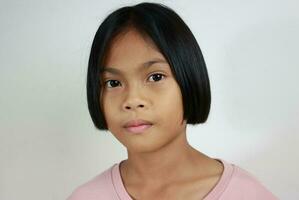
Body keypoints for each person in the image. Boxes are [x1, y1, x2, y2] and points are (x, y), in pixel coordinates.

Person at [67, 2, 278, 200]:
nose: (132, 100)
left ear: (190, 78)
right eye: (113, 83)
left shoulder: (246, 194)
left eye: (155, 77)